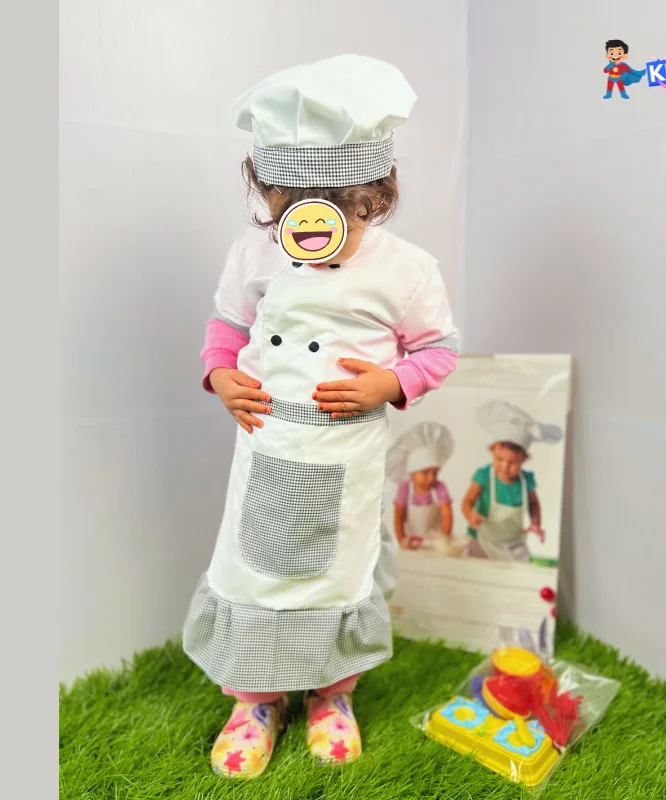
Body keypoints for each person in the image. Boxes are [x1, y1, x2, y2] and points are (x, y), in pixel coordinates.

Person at [182, 56, 459, 779]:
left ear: (376, 192)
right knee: (254, 574)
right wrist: (220, 373)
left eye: (338, 201)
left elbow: (438, 350)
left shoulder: (408, 269)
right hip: (269, 446)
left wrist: (392, 382)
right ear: (266, 191)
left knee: (338, 575)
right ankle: (253, 701)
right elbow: (226, 325)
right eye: (292, 202)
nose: (312, 221)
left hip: (348, 457)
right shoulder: (254, 253)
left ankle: (332, 695)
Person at [462, 401, 561, 561]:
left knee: (520, 569)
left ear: (524, 459)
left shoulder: (526, 481)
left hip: (514, 544)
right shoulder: (484, 476)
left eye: (512, 462)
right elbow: (468, 501)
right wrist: (470, 515)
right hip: (482, 539)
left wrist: (535, 523)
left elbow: (534, 504)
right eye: (499, 459)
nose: (505, 466)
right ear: (492, 451)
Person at [386, 422, 455, 552]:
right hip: (411, 545)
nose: (431, 477)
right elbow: (398, 517)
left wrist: (444, 538)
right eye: (425, 472)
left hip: (436, 545)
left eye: (435, 473)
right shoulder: (404, 489)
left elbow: (447, 515)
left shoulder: (439, 488)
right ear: (412, 472)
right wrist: (402, 540)